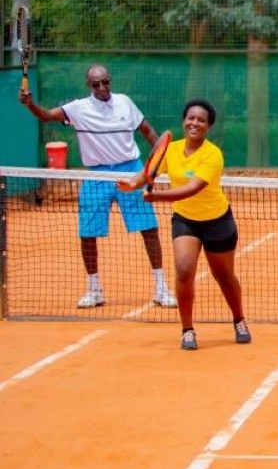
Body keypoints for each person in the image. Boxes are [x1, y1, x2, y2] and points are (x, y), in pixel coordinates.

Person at [18, 65, 176, 309]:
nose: (102, 88)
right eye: (96, 84)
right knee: (88, 234)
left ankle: (161, 288)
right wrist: (30, 104)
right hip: (96, 175)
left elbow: (148, 131)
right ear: (88, 86)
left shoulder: (125, 102)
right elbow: (47, 116)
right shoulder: (78, 109)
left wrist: (159, 165)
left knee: (149, 230)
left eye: (105, 82)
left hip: (130, 170)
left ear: (110, 80)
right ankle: (94, 290)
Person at [118, 100, 249, 350]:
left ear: (208, 126)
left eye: (201, 120)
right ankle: (187, 329)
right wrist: (132, 184)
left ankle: (239, 319)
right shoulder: (172, 149)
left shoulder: (212, 154)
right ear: (184, 120)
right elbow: (149, 170)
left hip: (217, 221)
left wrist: (156, 197)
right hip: (186, 221)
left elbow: (191, 189)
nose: (194, 123)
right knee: (184, 269)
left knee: (224, 276)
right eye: (191, 118)